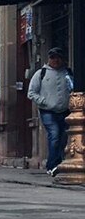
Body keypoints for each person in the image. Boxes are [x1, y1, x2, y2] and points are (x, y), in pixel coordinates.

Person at [28, 47, 74, 176]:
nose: (55, 60)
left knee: (63, 138)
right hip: (48, 111)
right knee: (54, 135)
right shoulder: (41, 73)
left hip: (65, 111)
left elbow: (73, 88)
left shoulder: (68, 73)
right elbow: (31, 93)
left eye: (57, 57)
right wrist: (43, 101)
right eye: (52, 58)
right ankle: (52, 165)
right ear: (49, 59)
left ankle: (58, 163)